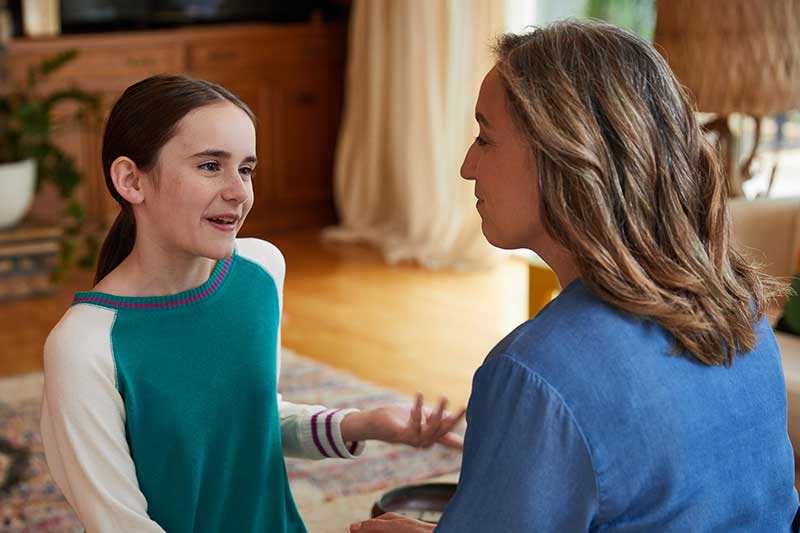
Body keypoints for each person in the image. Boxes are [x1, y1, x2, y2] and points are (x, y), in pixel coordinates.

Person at [352, 20, 799, 532]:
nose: (467, 167)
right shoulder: (739, 311)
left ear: (563, 155)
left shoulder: (537, 375)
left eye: (485, 138)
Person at [40, 75, 465, 533]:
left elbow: (252, 420)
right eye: (209, 166)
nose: (239, 192)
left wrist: (366, 423)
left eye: (245, 169)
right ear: (131, 180)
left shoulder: (261, 271)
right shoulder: (84, 346)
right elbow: (119, 524)